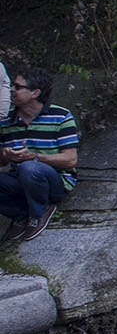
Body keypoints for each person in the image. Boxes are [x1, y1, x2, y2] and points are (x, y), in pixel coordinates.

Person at [1, 66, 78, 242]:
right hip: (19, 180)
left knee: (30, 168)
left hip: (55, 182)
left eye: (18, 87)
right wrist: (6, 154)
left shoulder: (61, 116)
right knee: (24, 169)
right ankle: (20, 215)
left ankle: (40, 212)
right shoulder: (6, 121)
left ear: (35, 93)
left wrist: (35, 157)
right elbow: (1, 162)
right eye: (12, 85)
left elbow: (70, 160)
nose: (11, 90)